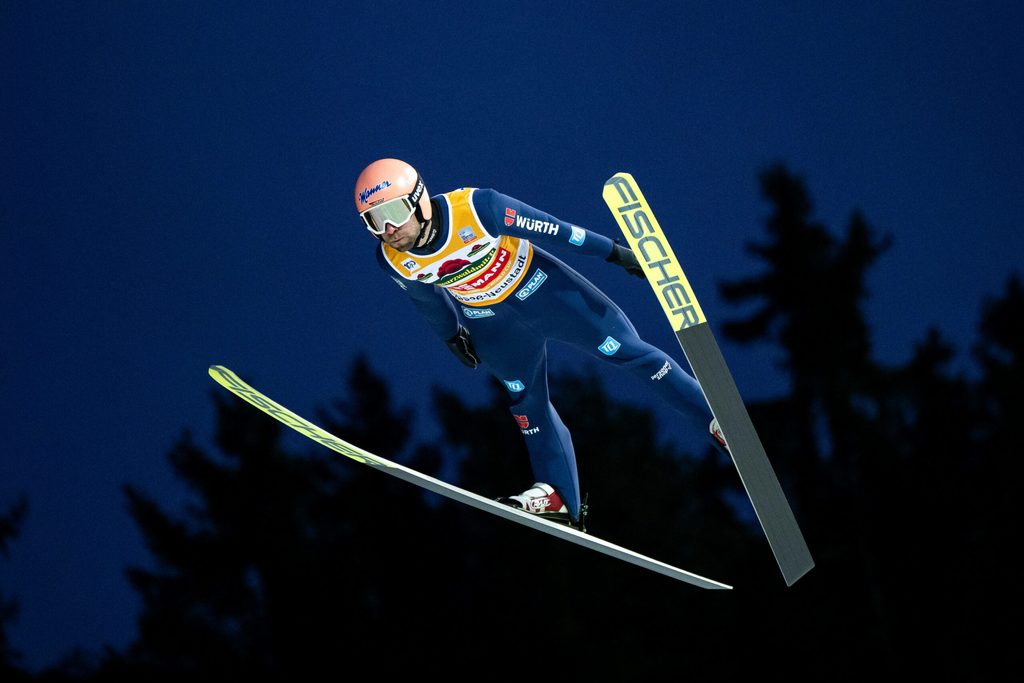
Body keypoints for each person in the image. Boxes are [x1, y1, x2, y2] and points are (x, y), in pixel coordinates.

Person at [354, 158, 726, 531]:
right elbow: (427, 300)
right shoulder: (392, 259)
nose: (387, 228)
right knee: (525, 403)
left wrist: (616, 253)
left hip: (546, 293)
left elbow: (561, 232)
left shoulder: (478, 208)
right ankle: (558, 496)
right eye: (373, 220)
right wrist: (452, 335)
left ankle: (714, 419)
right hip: (493, 325)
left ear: (418, 199)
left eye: (393, 212)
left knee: (628, 352)